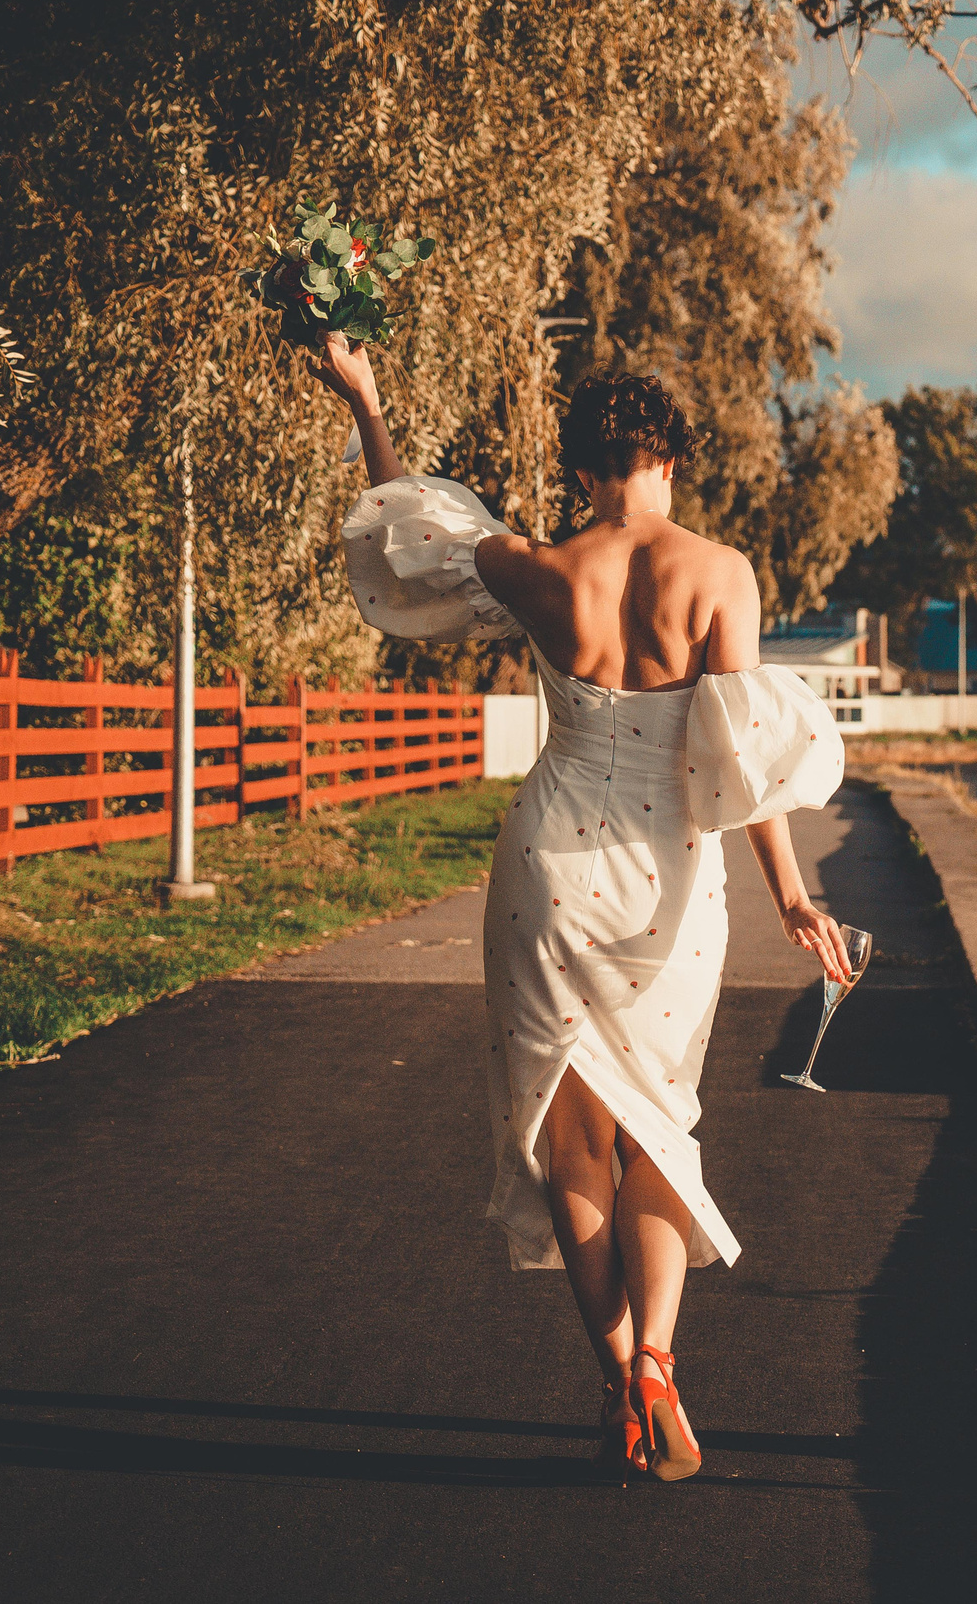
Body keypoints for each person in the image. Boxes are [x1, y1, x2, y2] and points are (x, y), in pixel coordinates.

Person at [313, 339, 854, 1481]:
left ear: (583, 463)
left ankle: (617, 1378)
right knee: (660, 1122)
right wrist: (794, 895)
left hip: (550, 864)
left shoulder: (543, 568)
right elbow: (738, 754)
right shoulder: (721, 573)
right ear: (672, 452)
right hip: (671, 879)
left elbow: (408, 528)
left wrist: (365, 398)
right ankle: (658, 1359)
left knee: (572, 1133)